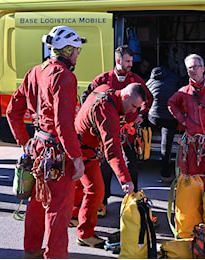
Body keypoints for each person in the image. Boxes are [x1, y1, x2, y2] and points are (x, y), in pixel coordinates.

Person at [6, 25, 86, 259]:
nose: (78, 55)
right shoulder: (64, 76)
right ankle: (55, 256)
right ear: (68, 50)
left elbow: (13, 111)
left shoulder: (35, 72)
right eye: (77, 51)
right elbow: (63, 124)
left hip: (38, 148)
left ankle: (31, 250)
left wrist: (24, 142)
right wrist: (77, 158)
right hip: (57, 153)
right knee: (58, 210)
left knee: (36, 202)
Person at [80, 45, 153, 218]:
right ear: (118, 60)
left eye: (131, 61)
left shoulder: (136, 80)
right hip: (106, 133)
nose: (130, 64)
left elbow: (148, 99)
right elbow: (87, 97)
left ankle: (133, 201)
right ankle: (102, 202)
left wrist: (141, 115)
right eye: (127, 61)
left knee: (132, 166)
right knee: (105, 169)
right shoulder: (103, 79)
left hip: (127, 133)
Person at [73, 82, 146, 248]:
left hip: (76, 144)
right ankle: (85, 234)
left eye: (137, 108)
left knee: (79, 184)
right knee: (96, 191)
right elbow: (113, 152)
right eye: (134, 106)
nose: (133, 111)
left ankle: (73, 215)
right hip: (83, 150)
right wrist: (125, 180)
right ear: (126, 96)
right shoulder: (107, 112)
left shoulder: (106, 90)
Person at [167, 54, 205, 231]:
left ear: (203, 68)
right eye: (189, 68)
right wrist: (183, 120)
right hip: (190, 146)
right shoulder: (183, 92)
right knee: (190, 181)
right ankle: (192, 219)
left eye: (195, 67)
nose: (193, 71)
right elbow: (172, 104)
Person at [146, 66, 181, 184]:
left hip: (153, 118)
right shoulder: (175, 79)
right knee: (166, 146)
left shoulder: (150, 81)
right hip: (168, 118)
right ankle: (165, 174)